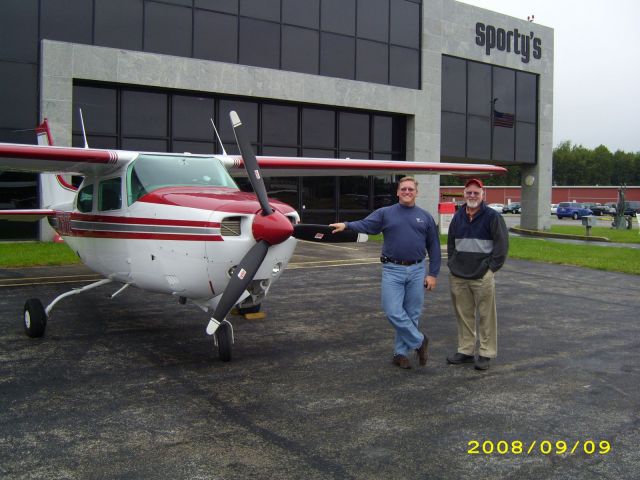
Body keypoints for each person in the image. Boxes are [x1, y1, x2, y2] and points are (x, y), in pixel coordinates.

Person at [330, 176, 441, 369]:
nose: (407, 192)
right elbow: (366, 225)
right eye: (403, 189)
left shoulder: (425, 216)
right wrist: (347, 225)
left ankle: (400, 354)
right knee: (393, 311)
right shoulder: (385, 213)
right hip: (392, 269)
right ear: (397, 192)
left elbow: (434, 246)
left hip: (417, 269)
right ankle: (420, 341)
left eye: (411, 189)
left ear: (417, 192)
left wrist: (433, 274)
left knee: (412, 314)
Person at [446, 178, 509, 371]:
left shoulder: (492, 217)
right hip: (459, 275)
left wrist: (490, 269)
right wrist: (453, 264)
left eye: (476, 193)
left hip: (482, 275)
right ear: (464, 194)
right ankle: (465, 350)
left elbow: (502, 246)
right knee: (463, 315)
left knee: (486, 316)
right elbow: (450, 244)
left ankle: (485, 353)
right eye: (469, 192)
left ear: (483, 195)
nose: (472, 196)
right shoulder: (458, 216)